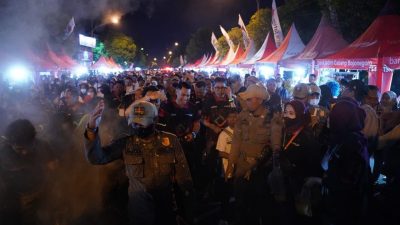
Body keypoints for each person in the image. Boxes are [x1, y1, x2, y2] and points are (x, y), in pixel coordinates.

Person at [84, 100, 193, 225]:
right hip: (140, 213)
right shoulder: (126, 143)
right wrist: (92, 128)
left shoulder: (170, 141)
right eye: (134, 123)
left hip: (166, 210)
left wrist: (186, 212)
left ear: (155, 120)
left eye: (142, 124)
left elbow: (184, 180)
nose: (137, 127)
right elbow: (96, 158)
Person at [226, 84, 282, 225]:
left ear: (260, 100)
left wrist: (255, 164)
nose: (246, 102)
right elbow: (236, 142)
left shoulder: (272, 118)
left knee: (259, 205)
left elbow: (274, 147)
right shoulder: (242, 116)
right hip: (241, 166)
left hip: (260, 170)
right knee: (240, 204)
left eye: (249, 99)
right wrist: (231, 165)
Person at [0, 119, 58, 225]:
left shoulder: (42, 145)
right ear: (10, 143)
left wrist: (47, 191)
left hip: (41, 196)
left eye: (28, 147)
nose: (25, 152)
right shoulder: (3, 156)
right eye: (19, 149)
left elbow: (53, 167)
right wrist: (16, 201)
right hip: (14, 204)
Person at [321, 98, 369, 225]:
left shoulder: (353, 143)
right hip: (337, 205)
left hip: (345, 209)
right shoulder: (342, 137)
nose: (329, 119)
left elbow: (347, 180)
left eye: (333, 116)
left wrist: (321, 181)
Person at [277, 100, 322, 224]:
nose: (286, 116)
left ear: (300, 115)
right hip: (286, 181)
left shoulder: (306, 136)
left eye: (291, 113)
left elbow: (312, 163)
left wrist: (296, 170)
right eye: (285, 112)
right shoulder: (286, 131)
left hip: (300, 184)